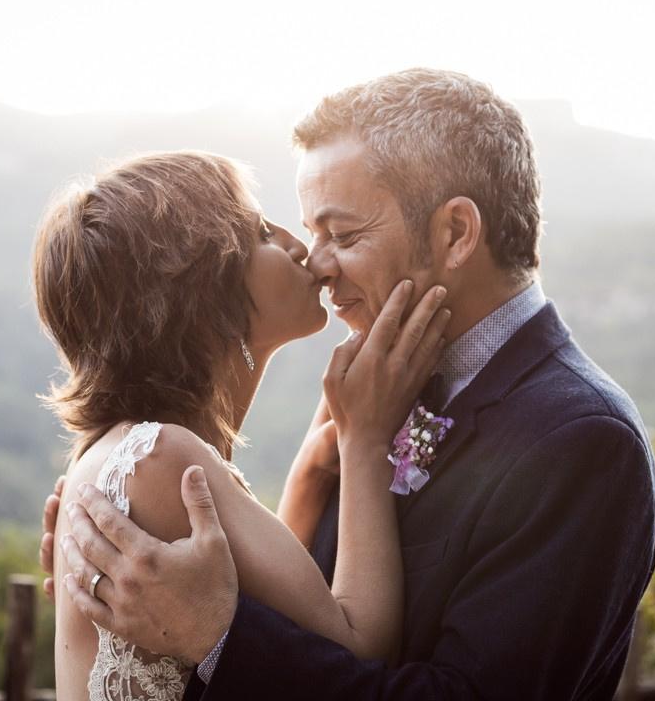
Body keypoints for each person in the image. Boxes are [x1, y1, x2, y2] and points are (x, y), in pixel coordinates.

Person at [43, 69, 655, 700]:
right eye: (308, 232)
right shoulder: (370, 396)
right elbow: (317, 612)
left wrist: (216, 631)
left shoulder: (583, 442)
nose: (315, 262)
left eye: (341, 235)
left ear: (454, 233)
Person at [31, 151, 451, 700]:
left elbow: (270, 606)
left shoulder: (119, 452)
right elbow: (353, 649)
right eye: (260, 232)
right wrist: (365, 440)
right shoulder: (163, 457)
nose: (300, 248)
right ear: (201, 288)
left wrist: (305, 480)